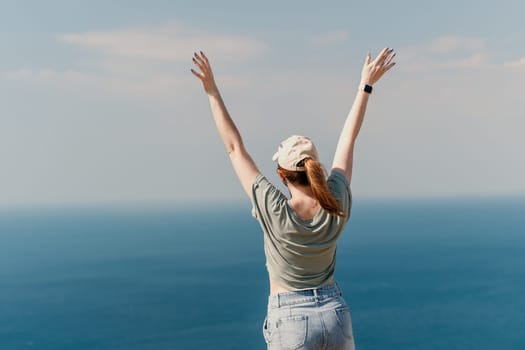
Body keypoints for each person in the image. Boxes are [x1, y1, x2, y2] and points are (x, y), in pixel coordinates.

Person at [191, 48, 395, 349]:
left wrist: (211, 91)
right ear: (316, 167)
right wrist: (366, 85)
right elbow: (348, 138)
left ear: (281, 174)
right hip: (335, 315)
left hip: (291, 320)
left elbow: (234, 148)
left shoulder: (274, 209)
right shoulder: (336, 200)